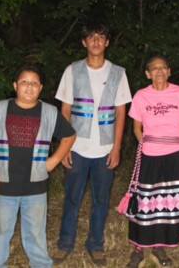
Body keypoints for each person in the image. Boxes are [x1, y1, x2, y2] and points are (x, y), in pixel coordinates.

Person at [0, 64, 75, 268]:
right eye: (24, 82)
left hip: (35, 186)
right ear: (15, 85)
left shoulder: (49, 112)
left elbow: (69, 135)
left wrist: (54, 161)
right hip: (3, 186)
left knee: (36, 234)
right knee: (0, 232)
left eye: (34, 83)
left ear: (40, 88)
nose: (29, 87)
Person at [53, 23, 132, 266]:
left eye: (101, 37)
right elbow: (64, 110)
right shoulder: (72, 70)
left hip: (105, 151)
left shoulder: (118, 72)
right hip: (77, 148)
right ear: (84, 42)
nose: (96, 41)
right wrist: (64, 147)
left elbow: (121, 112)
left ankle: (95, 244)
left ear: (107, 42)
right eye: (90, 37)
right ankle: (65, 243)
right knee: (72, 198)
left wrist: (117, 148)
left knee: (101, 199)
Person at [123, 55, 179, 268]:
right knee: (145, 199)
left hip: (177, 154)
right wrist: (148, 145)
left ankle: (159, 245)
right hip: (150, 154)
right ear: (148, 74)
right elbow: (137, 128)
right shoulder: (140, 96)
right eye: (155, 69)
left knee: (167, 200)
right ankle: (138, 248)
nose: (159, 72)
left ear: (169, 71)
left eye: (163, 68)